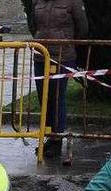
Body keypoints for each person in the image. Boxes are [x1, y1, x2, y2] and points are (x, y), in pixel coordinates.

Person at [31, 0, 88, 156]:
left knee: (57, 98)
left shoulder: (73, 2)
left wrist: (67, 43)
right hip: (41, 56)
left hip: (62, 56)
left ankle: (57, 139)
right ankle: (48, 135)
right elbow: (33, 25)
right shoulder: (37, 2)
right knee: (44, 98)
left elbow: (82, 28)